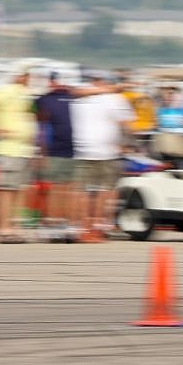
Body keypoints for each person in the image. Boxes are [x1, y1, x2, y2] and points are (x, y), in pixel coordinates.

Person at [70, 69, 136, 242]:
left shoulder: (80, 99)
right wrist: (126, 144)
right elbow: (127, 125)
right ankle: (97, 229)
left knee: (83, 192)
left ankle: (83, 228)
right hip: (107, 151)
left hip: (83, 149)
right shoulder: (114, 98)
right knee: (104, 192)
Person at [0, 69, 37, 243]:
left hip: (23, 149)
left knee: (15, 190)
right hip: (9, 149)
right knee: (6, 191)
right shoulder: (6, 90)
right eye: (26, 75)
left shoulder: (26, 94)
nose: (29, 79)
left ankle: (2, 226)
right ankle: (4, 229)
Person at [34, 70, 76, 237]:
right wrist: (41, 153)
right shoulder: (43, 100)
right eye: (55, 81)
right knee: (54, 188)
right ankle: (52, 222)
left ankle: (63, 222)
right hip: (53, 151)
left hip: (72, 150)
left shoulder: (72, 98)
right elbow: (40, 127)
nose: (58, 84)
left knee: (68, 188)